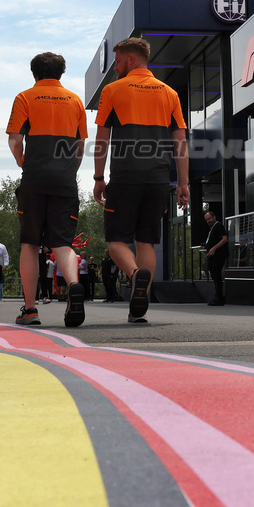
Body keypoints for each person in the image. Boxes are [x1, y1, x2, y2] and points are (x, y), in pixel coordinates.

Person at [93, 37, 190, 324]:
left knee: (115, 240)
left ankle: (135, 277)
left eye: (119, 60)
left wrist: (99, 177)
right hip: (159, 177)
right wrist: (182, 183)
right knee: (146, 241)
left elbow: (102, 139)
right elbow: (181, 141)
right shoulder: (169, 93)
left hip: (125, 175)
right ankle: (140, 308)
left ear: (132, 59)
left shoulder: (112, 90)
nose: (116, 66)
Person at [6, 51, 89, 326]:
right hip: (65, 181)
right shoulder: (76, 101)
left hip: (35, 178)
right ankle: (74, 285)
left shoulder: (25, 97)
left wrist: (21, 160)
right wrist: (69, 172)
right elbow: (79, 147)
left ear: (34, 74)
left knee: (30, 243)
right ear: (61, 73)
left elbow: (16, 139)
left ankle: (30, 310)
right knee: (62, 244)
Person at [203, 209, 229, 306]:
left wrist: (214, 248)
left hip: (218, 255)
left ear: (214, 217)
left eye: (209, 218)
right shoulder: (212, 228)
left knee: (217, 275)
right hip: (212, 256)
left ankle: (219, 297)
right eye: (206, 220)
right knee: (214, 275)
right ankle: (218, 296)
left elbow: (225, 239)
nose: (208, 221)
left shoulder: (219, 226)